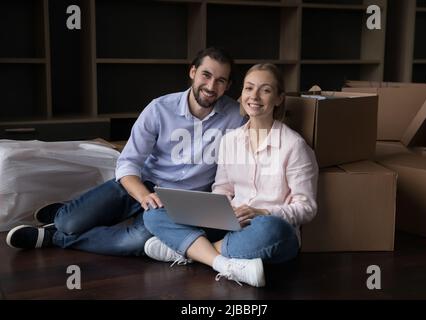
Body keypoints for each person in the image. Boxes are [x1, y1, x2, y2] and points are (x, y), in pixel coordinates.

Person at [6, 47, 244, 255]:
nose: (211, 86)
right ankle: (64, 216)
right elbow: (128, 162)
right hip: (144, 185)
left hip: (185, 200)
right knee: (70, 221)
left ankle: (56, 237)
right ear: (193, 72)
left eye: (221, 80)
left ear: (229, 86)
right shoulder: (159, 108)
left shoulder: (236, 116)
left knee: (138, 241)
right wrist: (143, 195)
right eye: (206, 75)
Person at [143, 64, 319, 287]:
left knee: (273, 230)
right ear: (242, 93)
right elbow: (223, 189)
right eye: (249, 88)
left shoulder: (294, 146)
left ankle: (191, 250)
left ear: (279, 98)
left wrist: (262, 212)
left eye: (265, 90)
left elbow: (307, 208)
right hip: (231, 223)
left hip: (267, 230)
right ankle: (224, 263)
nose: (254, 96)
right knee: (153, 213)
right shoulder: (230, 139)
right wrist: (220, 211)